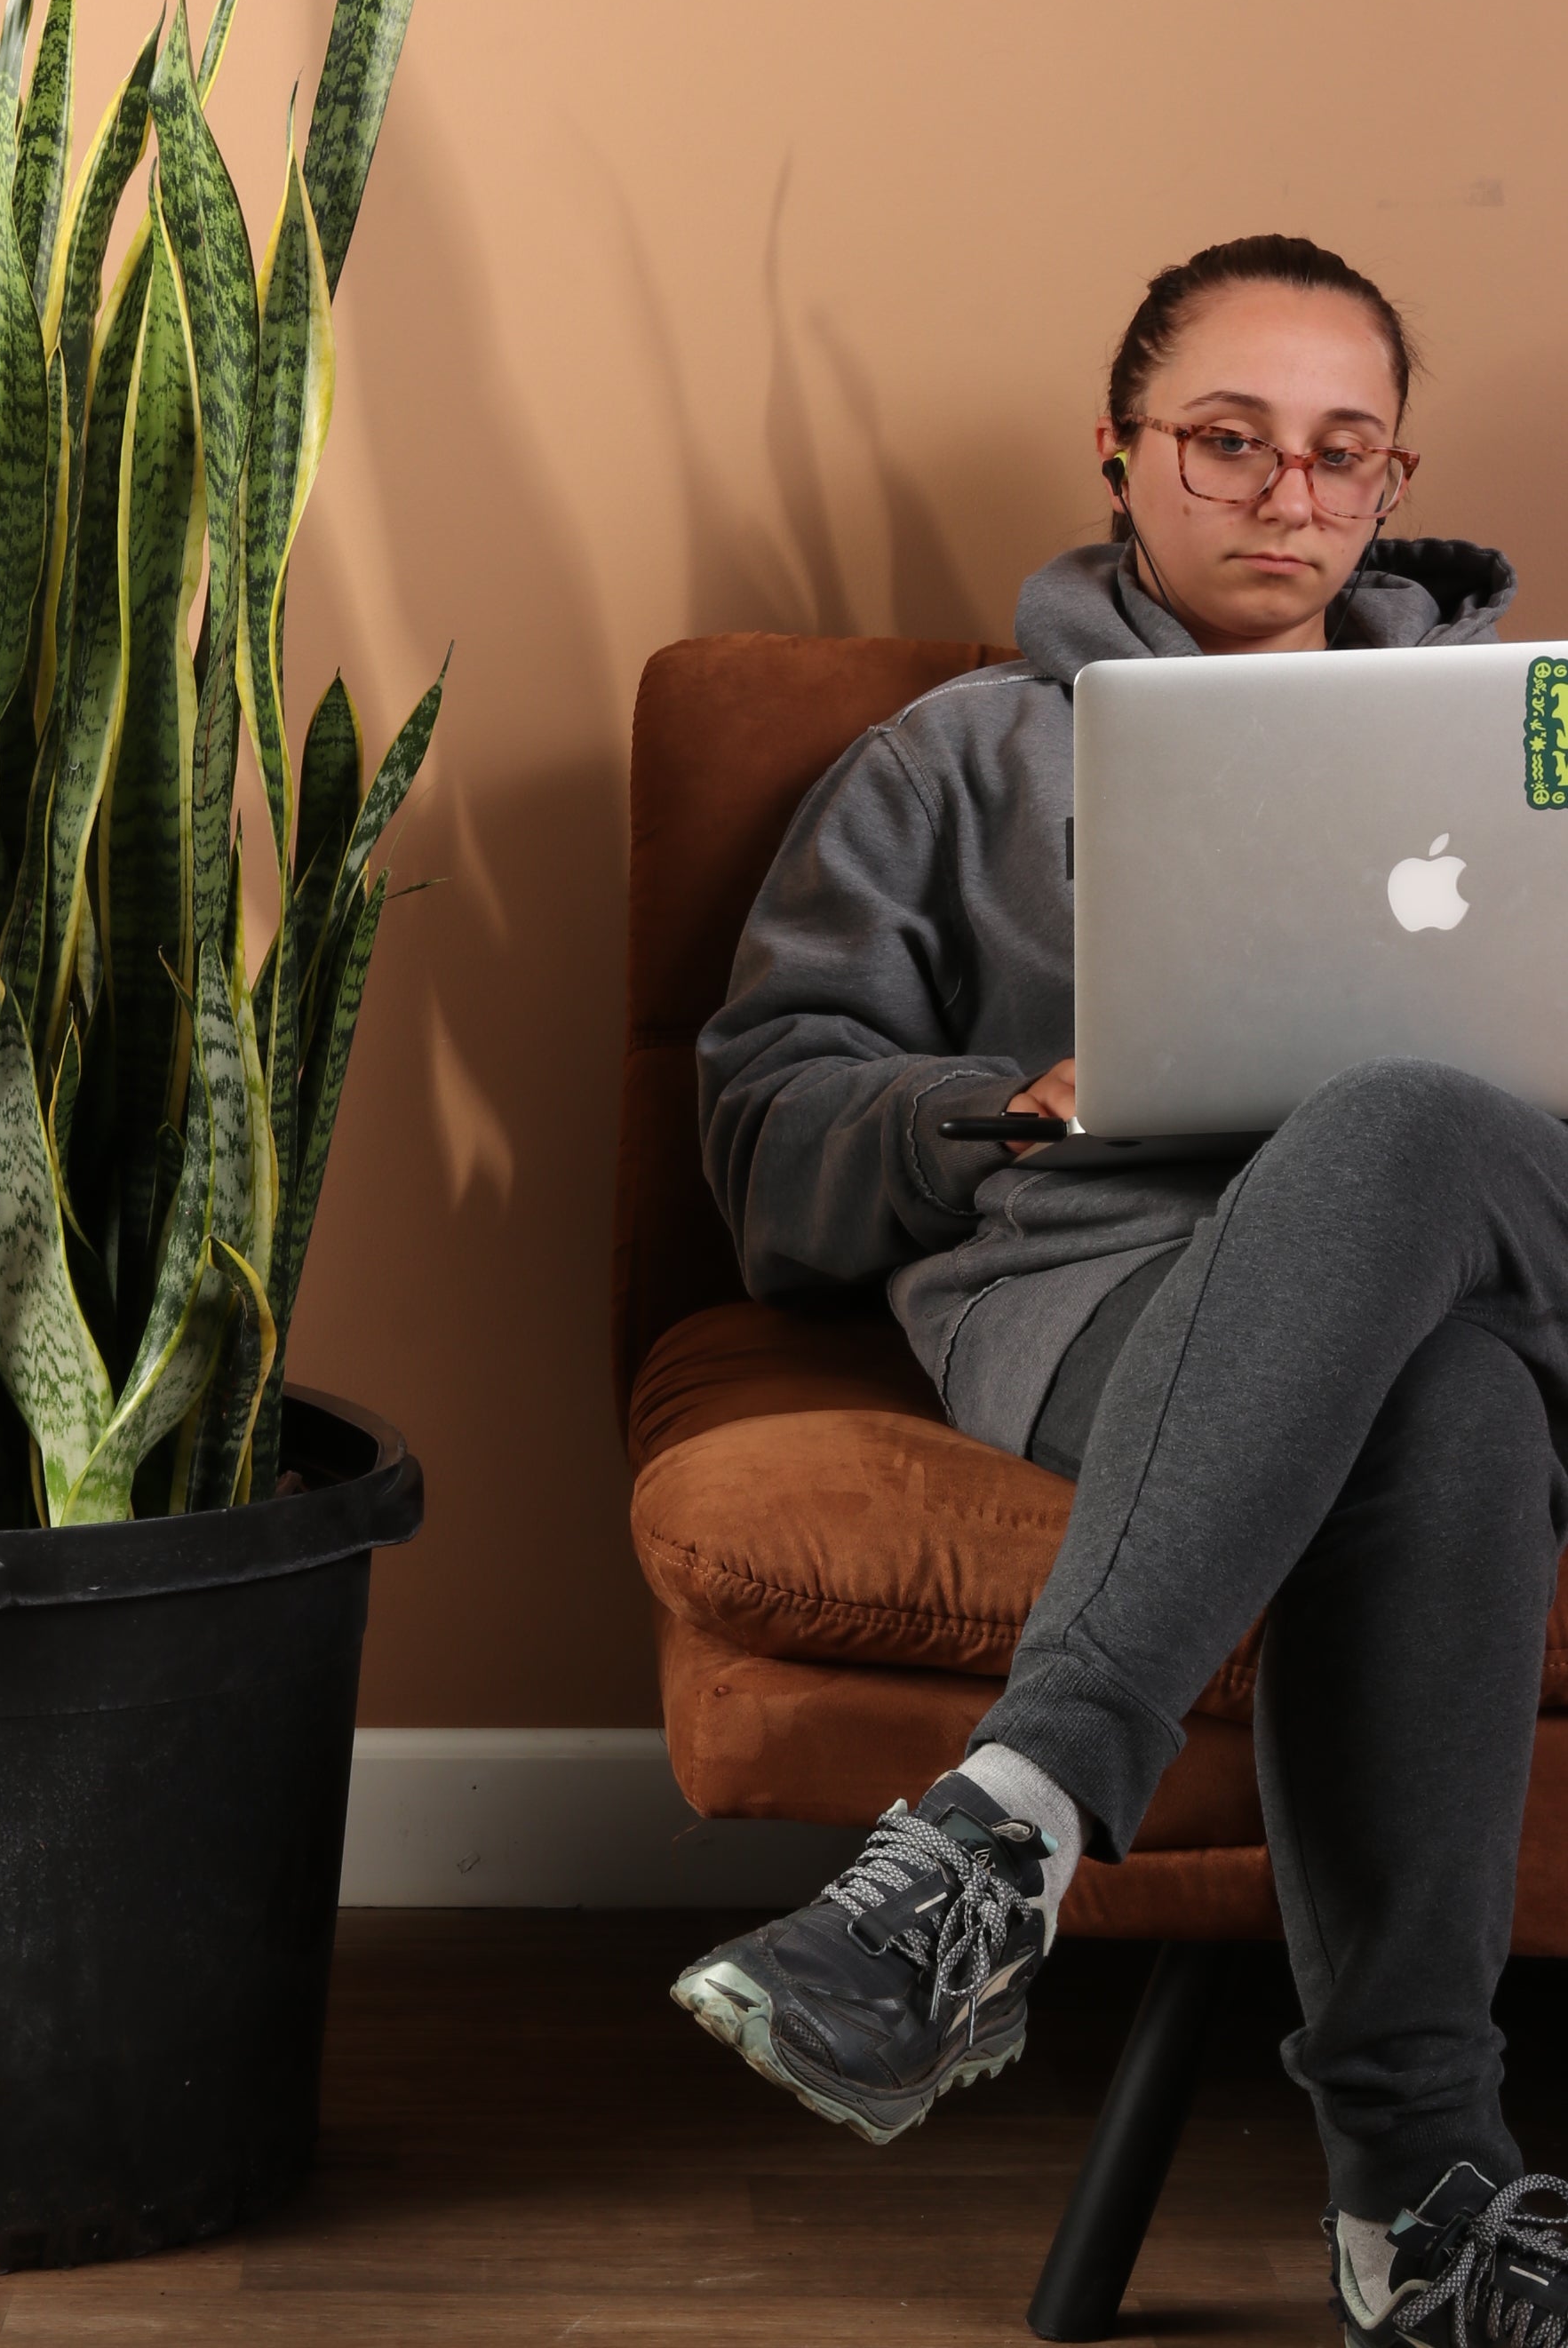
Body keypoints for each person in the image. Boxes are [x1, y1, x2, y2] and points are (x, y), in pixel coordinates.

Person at [670, 235, 1568, 2344]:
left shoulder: (1540, 753)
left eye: (1342, 455)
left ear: (1396, 476)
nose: (1288, 494)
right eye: (1230, 441)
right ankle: (1425, 2202)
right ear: (1122, 454)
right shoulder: (953, 761)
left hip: (1522, 1232)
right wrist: (999, 1103)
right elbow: (765, 1142)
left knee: (1410, 1121)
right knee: (1442, 1412)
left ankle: (993, 1841)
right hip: (1117, 1287)